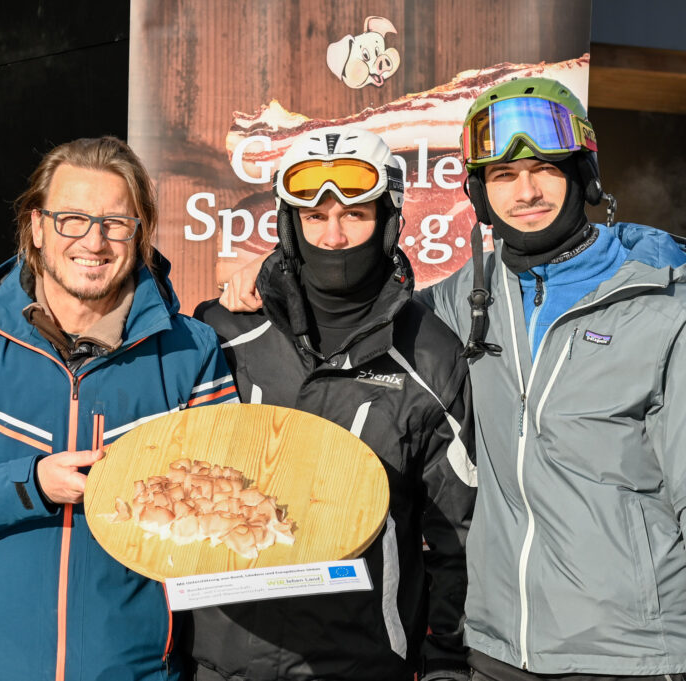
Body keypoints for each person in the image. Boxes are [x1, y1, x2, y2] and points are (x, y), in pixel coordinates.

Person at [220, 78, 686, 680]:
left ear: (584, 176)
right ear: (478, 192)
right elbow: (355, 298)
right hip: (496, 649)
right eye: (501, 175)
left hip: (631, 650)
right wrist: (272, 280)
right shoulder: (456, 305)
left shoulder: (659, 306)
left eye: (544, 169)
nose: (525, 192)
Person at [0, 136, 239, 681]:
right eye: (72, 220)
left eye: (116, 222)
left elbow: (222, 513)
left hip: (138, 670)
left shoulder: (191, 351)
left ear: (140, 233)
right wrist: (32, 485)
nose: (95, 241)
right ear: (37, 227)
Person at [191, 125, 477, 681]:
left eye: (355, 215)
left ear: (389, 221)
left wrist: (446, 661)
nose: (335, 236)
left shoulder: (429, 354)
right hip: (226, 657)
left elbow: (456, 535)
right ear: (289, 225)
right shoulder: (225, 330)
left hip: (361, 659)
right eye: (315, 216)